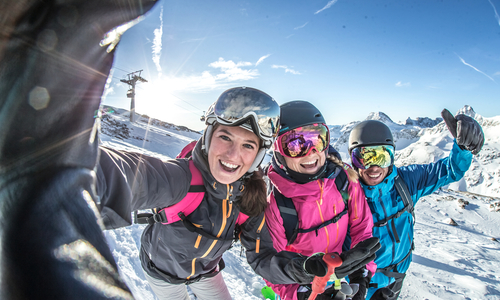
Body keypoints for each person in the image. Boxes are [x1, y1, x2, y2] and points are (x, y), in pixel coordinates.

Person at [347, 110, 485, 300]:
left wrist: (463, 148)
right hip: (358, 286)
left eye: (382, 156)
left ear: (392, 157)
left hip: (395, 280)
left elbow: (450, 170)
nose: (374, 167)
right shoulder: (343, 196)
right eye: (364, 157)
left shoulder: (407, 182)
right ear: (354, 162)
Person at [264, 101, 381, 300]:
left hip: (338, 277)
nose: (310, 152)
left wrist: (360, 272)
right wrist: (301, 293)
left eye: (317, 140)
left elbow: (362, 227)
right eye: (295, 144)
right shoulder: (276, 203)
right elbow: (271, 264)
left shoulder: (344, 179)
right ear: (278, 150)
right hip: (301, 283)